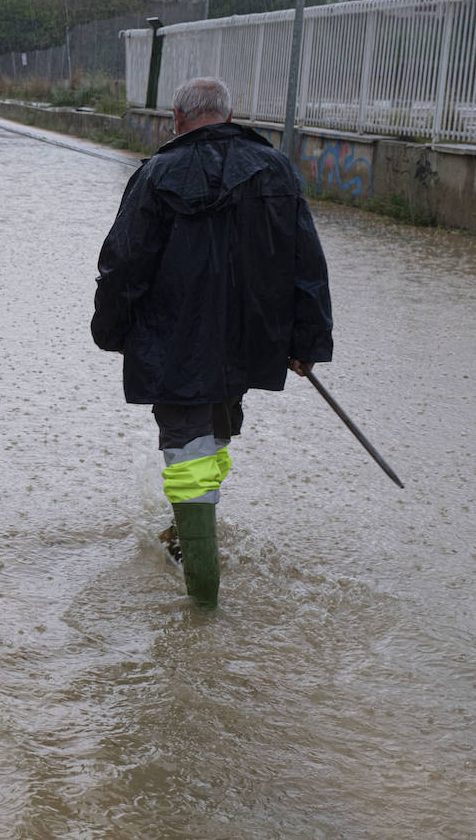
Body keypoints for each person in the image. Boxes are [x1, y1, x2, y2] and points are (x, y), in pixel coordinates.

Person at [90, 76, 333, 609]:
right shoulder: (275, 170)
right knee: (215, 430)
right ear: (228, 115)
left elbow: (122, 264)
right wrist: (307, 339)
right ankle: (188, 538)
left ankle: (203, 599)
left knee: (187, 445)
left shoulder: (156, 173)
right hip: (249, 340)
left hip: (173, 340)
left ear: (177, 118)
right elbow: (306, 262)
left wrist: (111, 331)